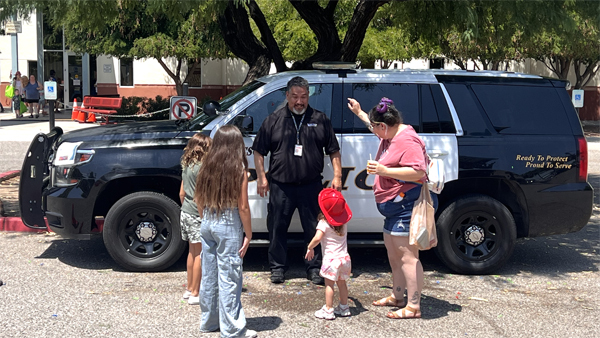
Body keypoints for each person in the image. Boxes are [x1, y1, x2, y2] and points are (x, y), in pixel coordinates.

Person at [347, 97, 438, 319]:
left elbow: (418, 172)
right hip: (393, 207)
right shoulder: (391, 133)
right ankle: (398, 296)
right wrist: (359, 113)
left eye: (377, 129)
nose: (375, 133)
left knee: (407, 256)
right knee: (393, 253)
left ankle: (413, 306)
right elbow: (374, 125)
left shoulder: (407, 141)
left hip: (404, 205)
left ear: (385, 126)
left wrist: (383, 170)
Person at [252, 76, 342, 285]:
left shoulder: (320, 119)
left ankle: (313, 268)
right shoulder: (273, 120)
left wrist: (337, 175)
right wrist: (262, 177)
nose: (299, 101)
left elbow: (333, 151)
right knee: (277, 227)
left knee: (314, 228)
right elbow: (258, 151)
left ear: (308, 96)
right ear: (287, 96)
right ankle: (278, 268)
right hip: (280, 186)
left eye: (303, 96)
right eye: (295, 96)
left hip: (311, 186)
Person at [194, 125, 257, 338]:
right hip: (228, 223)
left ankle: (209, 321)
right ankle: (232, 328)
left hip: (208, 220)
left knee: (209, 274)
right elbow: (243, 207)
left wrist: (206, 219)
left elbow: (198, 199)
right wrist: (248, 234)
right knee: (230, 276)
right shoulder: (239, 170)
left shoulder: (207, 165)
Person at [305, 188, 353, 320]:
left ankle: (328, 309)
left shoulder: (323, 223)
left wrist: (310, 247)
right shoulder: (343, 222)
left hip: (331, 260)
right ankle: (344, 307)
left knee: (329, 285)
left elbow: (317, 238)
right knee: (342, 283)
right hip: (344, 258)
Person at [179, 133, 212, 305]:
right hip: (196, 213)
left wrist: (186, 208)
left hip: (185, 212)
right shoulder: (202, 168)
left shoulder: (186, 165)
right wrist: (203, 217)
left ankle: (189, 287)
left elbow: (181, 193)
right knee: (200, 253)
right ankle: (196, 292)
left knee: (192, 252)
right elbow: (199, 198)